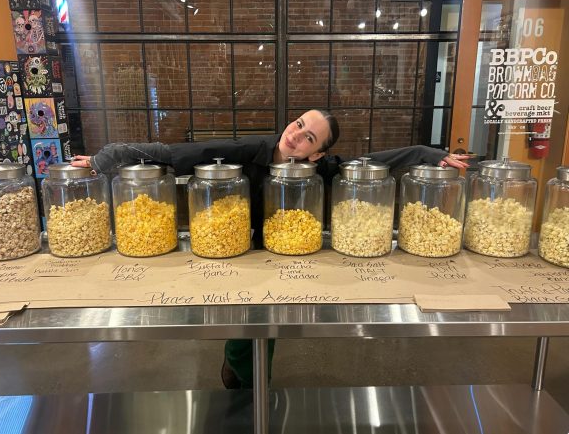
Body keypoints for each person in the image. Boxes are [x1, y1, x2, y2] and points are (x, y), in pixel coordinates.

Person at [71, 109, 469, 389]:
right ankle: (247, 381)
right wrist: (108, 159)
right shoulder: (252, 151)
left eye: (309, 136)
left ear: (317, 153)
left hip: (291, 253)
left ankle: (253, 383)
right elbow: (182, 154)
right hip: (239, 249)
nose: (295, 134)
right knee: (245, 325)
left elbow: (375, 161)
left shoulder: (320, 172)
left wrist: (430, 155)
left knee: (269, 326)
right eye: (298, 124)